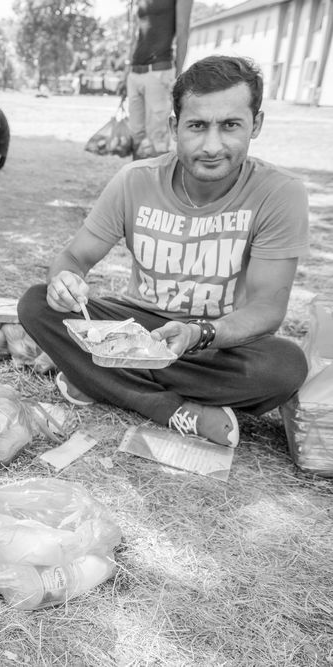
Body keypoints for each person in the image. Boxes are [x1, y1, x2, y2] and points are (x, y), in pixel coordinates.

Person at [17, 56, 310, 449]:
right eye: (196, 126)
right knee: (36, 303)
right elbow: (74, 259)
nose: (211, 145)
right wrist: (65, 282)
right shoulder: (135, 180)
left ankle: (94, 377)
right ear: (174, 127)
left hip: (214, 341)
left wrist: (197, 333)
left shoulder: (279, 192)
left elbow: (267, 310)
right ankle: (171, 410)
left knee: (285, 366)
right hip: (138, 329)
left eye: (230, 125)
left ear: (255, 124)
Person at [127, 0, 193, 159]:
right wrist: (126, 72)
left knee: (157, 139)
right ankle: (137, 180)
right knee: (137, 136)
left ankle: (156, 182)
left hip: (160, 70)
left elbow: (183, 32)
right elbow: (136, 34)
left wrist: (178, 76)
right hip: (135, 71)